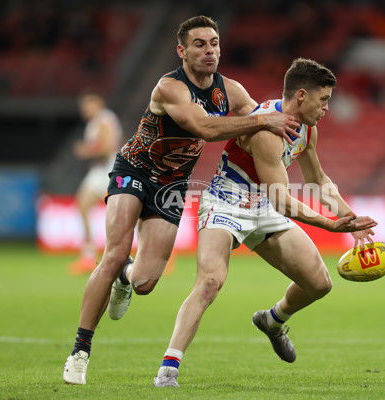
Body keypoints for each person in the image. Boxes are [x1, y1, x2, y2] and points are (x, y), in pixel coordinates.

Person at [62, 15, 300, 385]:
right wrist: (262, 122)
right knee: (112, 253)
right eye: (200, 44)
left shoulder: (230, 91)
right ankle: (80, 351)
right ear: (182, 51)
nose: (210, 51)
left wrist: (289, 137)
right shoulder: (170, 87)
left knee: (145, 281)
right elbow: (206, 127)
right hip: (134, 171)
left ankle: (126, 276)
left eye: (215, 43)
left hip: (173, 186)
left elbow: (261, 124)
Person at [151, 58, 378, 388]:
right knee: (211, 281)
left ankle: (272, 321)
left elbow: (317, 179)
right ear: (301, 96)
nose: (327, 108)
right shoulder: (265, 128)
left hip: (263, 206)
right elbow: (283, 200)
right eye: (323, 99)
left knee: (319, 284)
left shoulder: (307, 130)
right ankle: (168, 368)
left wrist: (350, 217)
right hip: (226, 201)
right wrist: (330, 226)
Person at [68, 89, 123, 276]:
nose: (85, 109)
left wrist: (85, 151)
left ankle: (89, 256)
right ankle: (88, 257)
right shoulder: (100, 121)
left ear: (98, 103)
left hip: (107, 171)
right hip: (101, 171)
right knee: (84, 206)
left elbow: (107, 148)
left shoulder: (103, 120)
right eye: (83, 106)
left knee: (125, 214)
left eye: (88, 105)